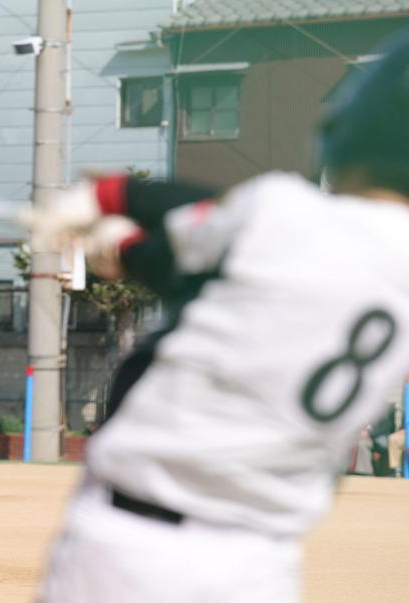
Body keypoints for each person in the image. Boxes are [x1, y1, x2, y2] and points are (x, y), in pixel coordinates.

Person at [38, 31, 409, 602]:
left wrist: (107, 215)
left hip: (132, 550)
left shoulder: (287, 214)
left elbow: (183, 232)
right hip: (260, 568)